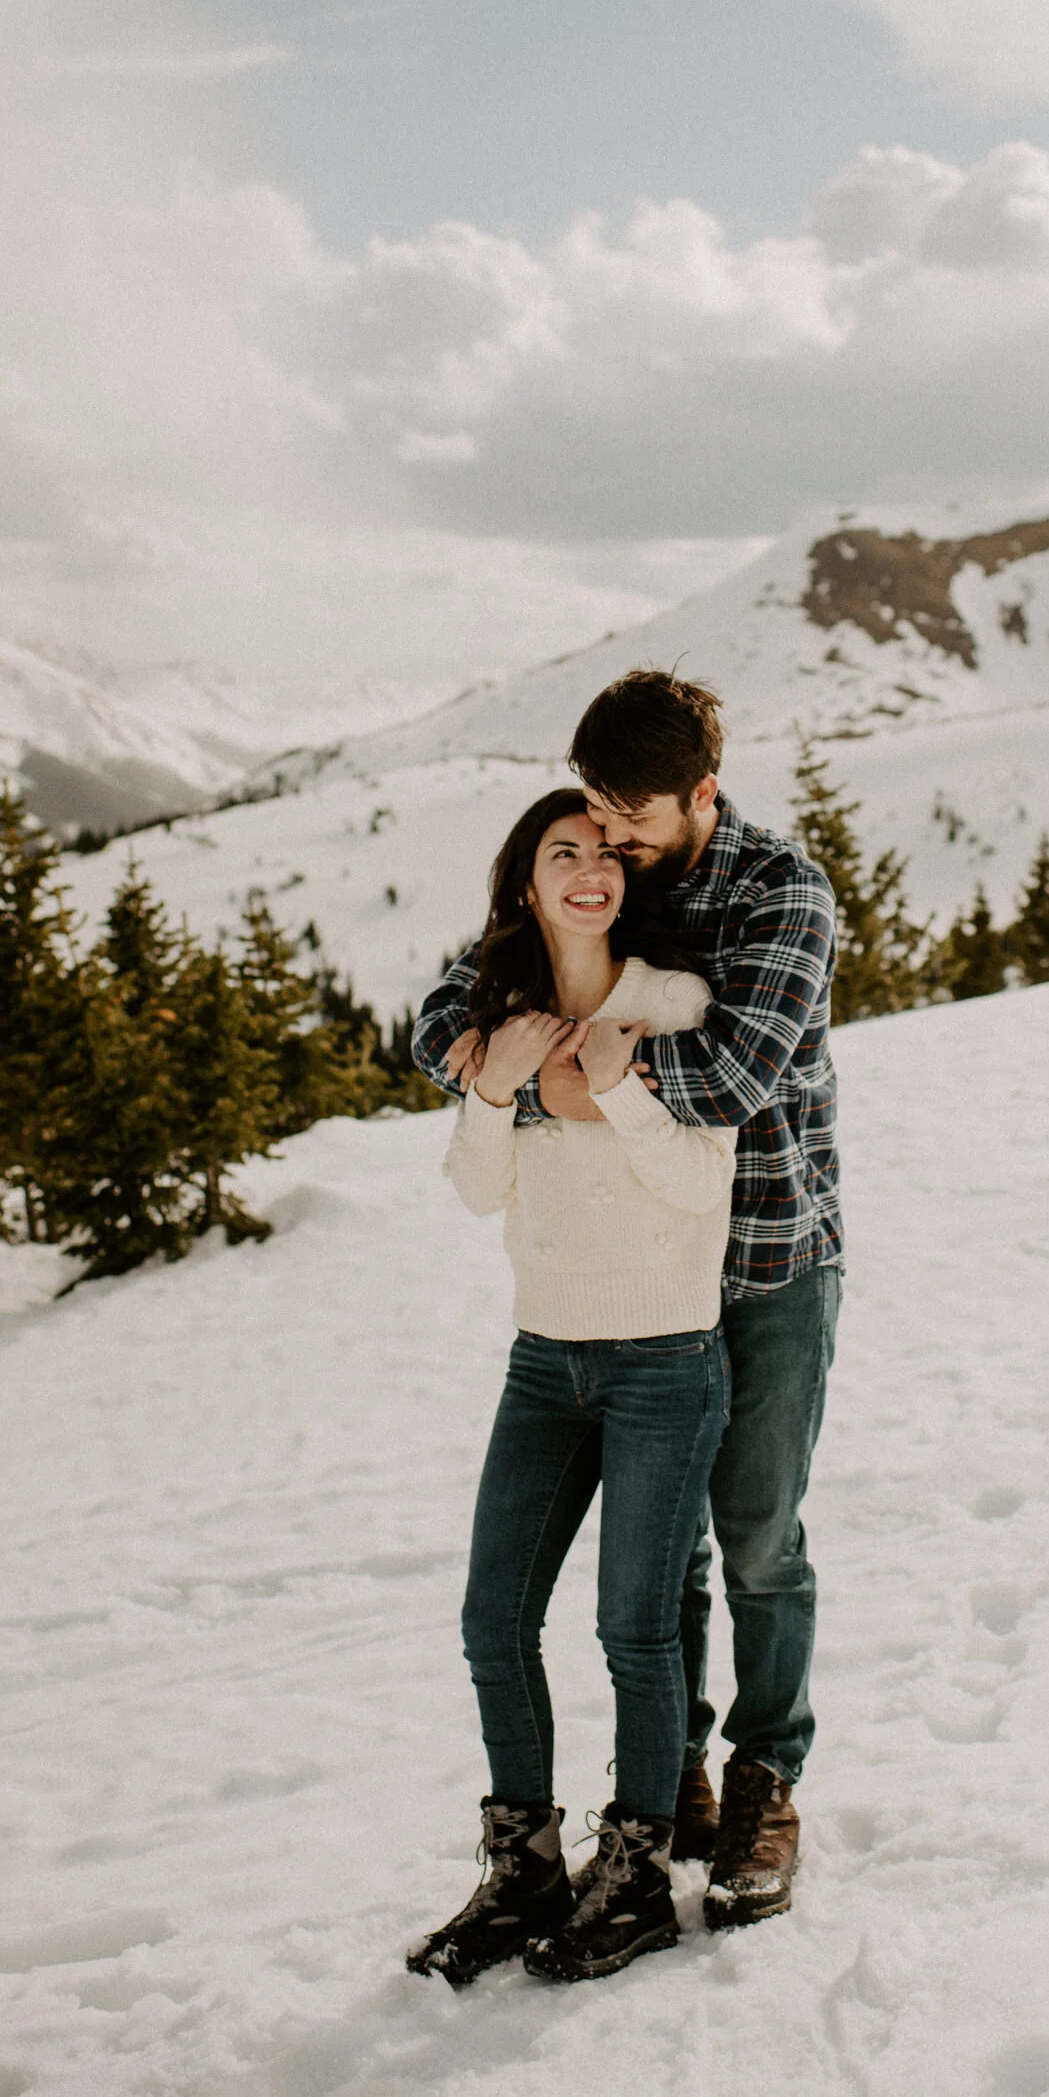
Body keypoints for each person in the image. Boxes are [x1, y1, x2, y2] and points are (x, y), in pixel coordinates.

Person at [415, 670, 840, 1933]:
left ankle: (766, 1774)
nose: (606, 832)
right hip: (620, 1287)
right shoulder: (611, 857)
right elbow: (465, 992)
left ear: (702, 791)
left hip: (762, 1259)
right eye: (592, 805)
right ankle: (679, 1782)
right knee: (672, 1570)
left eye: (630, 810)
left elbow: (731, 1076)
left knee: (758, 1536)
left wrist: (534, 1083)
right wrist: (478, 1055)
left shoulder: (781, 892)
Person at [407, 787, 737, 1989]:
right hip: (543, 1358)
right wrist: (497, 1091)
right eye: (563, 854)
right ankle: (525, 1868)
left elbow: (704, 1185)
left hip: (663, 1357)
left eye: (604, 854)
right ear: (527, 882)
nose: (589, 870)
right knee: (493, 1620)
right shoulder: (499, 1017)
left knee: (634, 1632)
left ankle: (638, 1876)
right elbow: (477, 1191)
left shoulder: (671, 1001)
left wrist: (623, 1086)